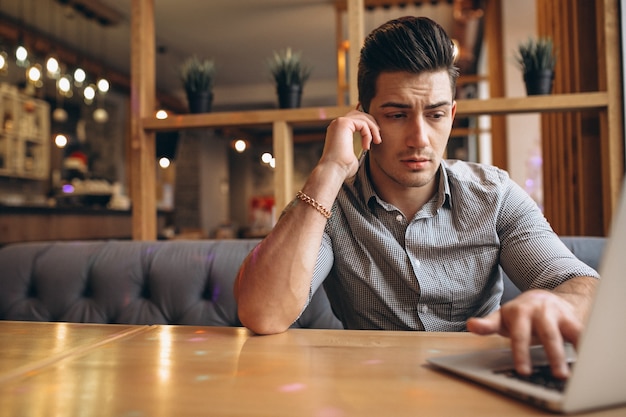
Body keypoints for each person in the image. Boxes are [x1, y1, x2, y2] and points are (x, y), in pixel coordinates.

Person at [234, 16, 599, 380]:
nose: (420, 138)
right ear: (364, 118)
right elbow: (263, 313)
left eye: (436, 114)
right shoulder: (329, 204)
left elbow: (583, 285)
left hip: (477, 389)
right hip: (369, 389)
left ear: (452, 115)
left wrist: (559, 303)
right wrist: (328, 172)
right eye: (397, 115)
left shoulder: (495, 195)